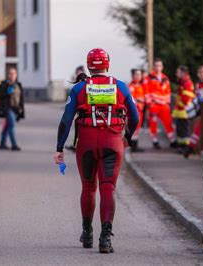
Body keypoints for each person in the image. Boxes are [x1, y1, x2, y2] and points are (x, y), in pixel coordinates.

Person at [54, 48, 139, 253]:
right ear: (107, 65)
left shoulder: (79, 89)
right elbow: (135, 117)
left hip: (86, 144)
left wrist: (59, 148)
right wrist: (127, 137)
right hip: (113, 143)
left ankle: (87, 233)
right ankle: (106, 238)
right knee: (108, 187)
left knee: (88, 187)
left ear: (89, 66)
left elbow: (66, 121)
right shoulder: (121, 87)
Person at [146, 58, 177, 149]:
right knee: (153, 124)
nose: (158, 67)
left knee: (168, 122)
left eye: (159, 65)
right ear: (154, 67)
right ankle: (155, 141)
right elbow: (146, 92)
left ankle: (172, 141)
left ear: (162, 67)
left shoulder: (165, 78)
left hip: (164, 105)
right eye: (156, 66)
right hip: (154, 105)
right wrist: (150, 104)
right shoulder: (149, 78)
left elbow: (168, 92)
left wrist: (167, 103)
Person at [0, 68, 24, 151]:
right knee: (12, 125)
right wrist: (7, 93)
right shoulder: (4, 84)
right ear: (8, 75)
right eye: (11, 73)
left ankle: (2, 144)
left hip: (15, 108)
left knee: (8, 126)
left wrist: (21, 109)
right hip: (7, 108)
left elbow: (21, 98)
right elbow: (0, 95)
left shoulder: (18, 85)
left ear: (16, 75)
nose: (12, 75)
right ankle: (14, 145)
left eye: (14, 73)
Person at [172, 65, 195, 153]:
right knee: (180, 130)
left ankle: (185, 148)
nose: (176, 74)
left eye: (178, 72)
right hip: (181, 111)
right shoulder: (183, 82)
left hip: (185, 111)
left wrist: (179, 102)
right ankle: (181, 146)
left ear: (183, 73)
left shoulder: (187, 83)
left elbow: (186, 99)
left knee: (185, 131)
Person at [128, 68, 146, 152]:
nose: (139, 76)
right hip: (135, 111)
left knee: (137, 129)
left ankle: (135, 146)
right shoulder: (131, 86)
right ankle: (133, 147)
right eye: (137, 74)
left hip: (141, 111)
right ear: (133, 76)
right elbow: (130, 100)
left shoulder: (141, 85)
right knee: (134, 129)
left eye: (140, 74)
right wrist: (139, 100)